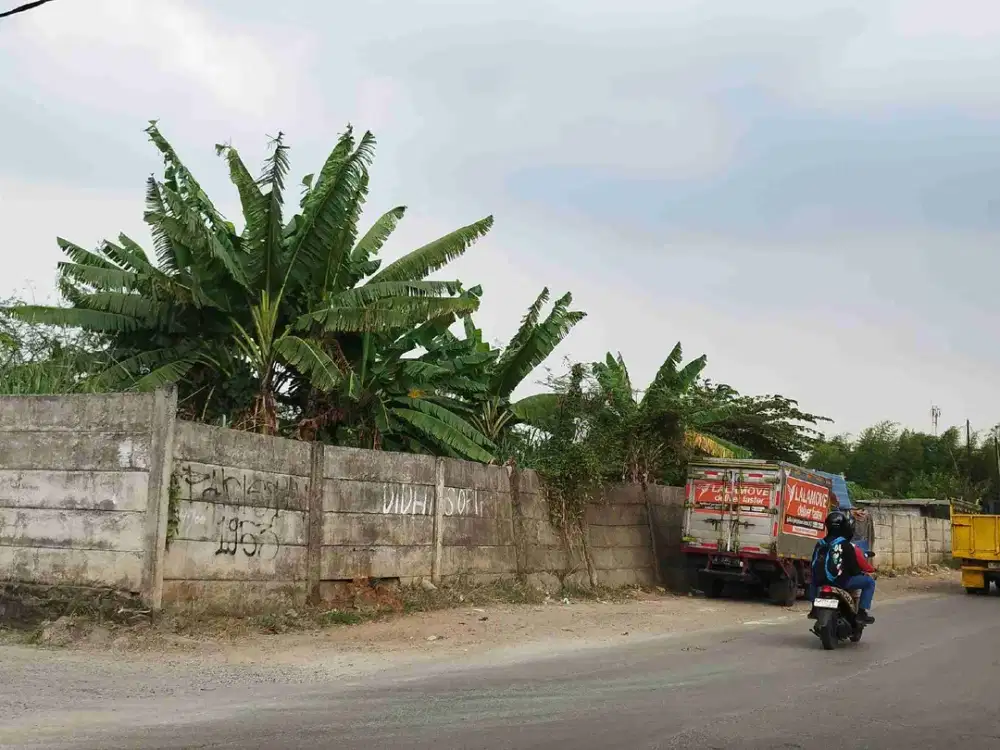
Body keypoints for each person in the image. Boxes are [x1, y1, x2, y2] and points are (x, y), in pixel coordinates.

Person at [809, 510, 876, 624]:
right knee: (869, 582)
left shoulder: (820, 543)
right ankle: (861, 613)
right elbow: (853, 568)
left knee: (812, 582)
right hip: (841, 582)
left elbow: (813, 563)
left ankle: (814, 608)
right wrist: (862, 573)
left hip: (819, 582)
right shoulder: (845, 544)